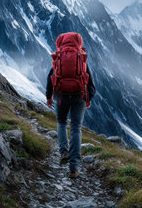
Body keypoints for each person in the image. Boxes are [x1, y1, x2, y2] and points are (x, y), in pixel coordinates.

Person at [45, 32, 96, 178]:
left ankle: (64, 152)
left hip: (61, 96)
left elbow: (50, 78)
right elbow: (91, 84)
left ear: (60, 42)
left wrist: (49, 97)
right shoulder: (81, 58)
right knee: (75, 128)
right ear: (78, 42)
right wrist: (88, 98)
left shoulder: (58, 57)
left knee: (61, 123)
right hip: (79, 96)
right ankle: (73, 167)